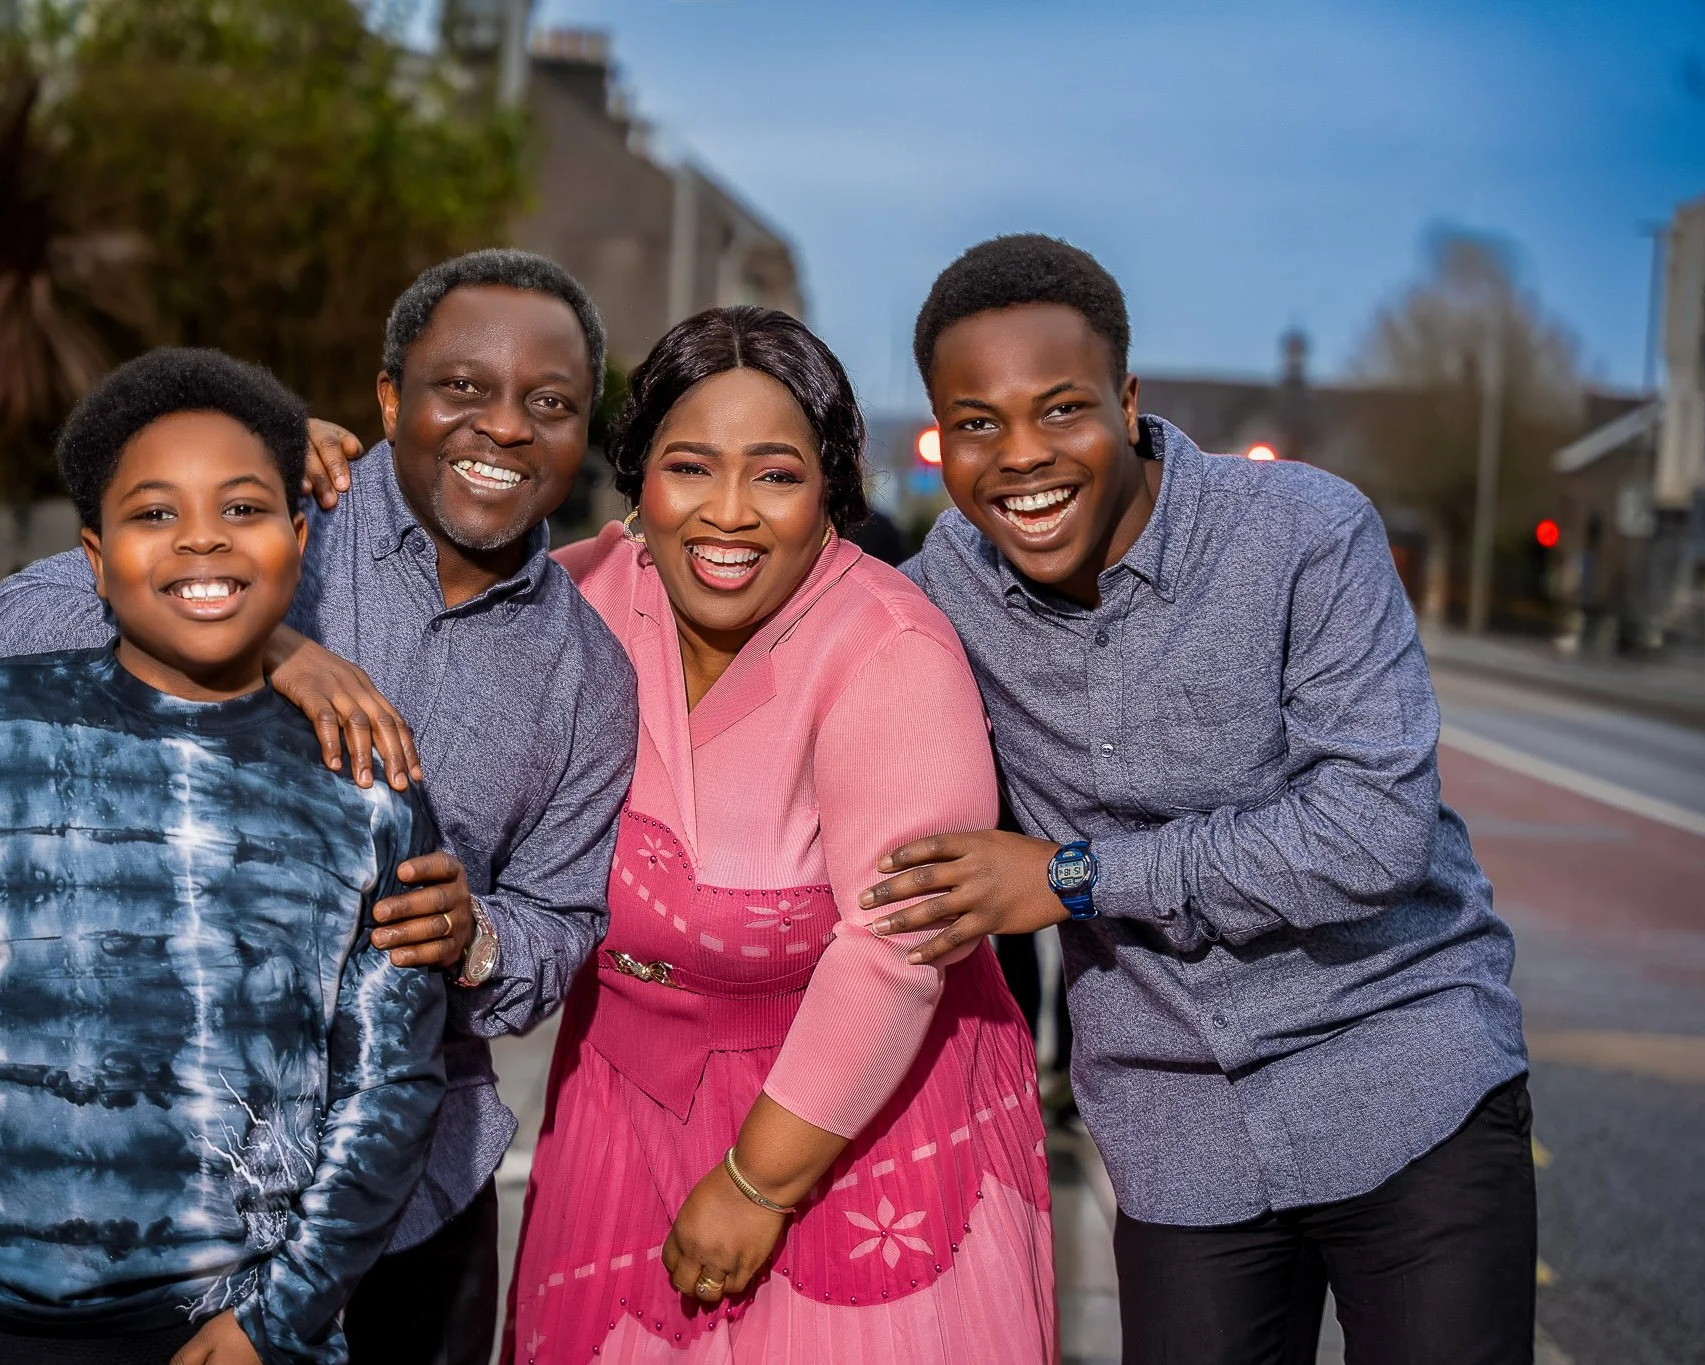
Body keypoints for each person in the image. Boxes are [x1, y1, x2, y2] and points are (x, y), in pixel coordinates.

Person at [0, 251, 638, 1365]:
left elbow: (561, 923)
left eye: (549, 404)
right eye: (462, 387)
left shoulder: (590, 677)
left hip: (410, 1196)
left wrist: (476, 941)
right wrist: (257, 641)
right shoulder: (276, 509)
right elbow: (4, 643)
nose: (504, 428)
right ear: (386, 398)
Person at [862, 234, 1535, 1365]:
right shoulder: (937, 596)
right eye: (976, 423)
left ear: (1125, 402)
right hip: (1177, 1130)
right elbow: (786, 644)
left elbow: (1367, 832)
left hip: (1402, 1076)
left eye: (1059, 408)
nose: (1019, 457)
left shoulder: (1302, 534)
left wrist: (1071, 878)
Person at [0, 347, 447, 1365]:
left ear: (299, 540)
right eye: (154, 512)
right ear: (93, 557)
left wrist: (278, 1319)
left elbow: (387, 1085)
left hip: (230, 1337)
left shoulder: (367, 788)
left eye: (243, 508)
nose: (201, 538)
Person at [502, 306, 1058, 1364]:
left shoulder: (891, 651)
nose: (727, 515)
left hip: (850, 1120)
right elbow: (420, 604)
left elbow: (893, 948)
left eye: (773, 475)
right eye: (688, 468)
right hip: (618, 1107)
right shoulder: (580, 595)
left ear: (829, 490)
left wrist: (757, 1181)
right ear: (638, 482)